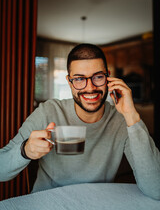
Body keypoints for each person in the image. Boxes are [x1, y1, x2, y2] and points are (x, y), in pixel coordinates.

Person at [0, 43, 160, 200]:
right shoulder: (49, 112)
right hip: (50, 203)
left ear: (108, 78)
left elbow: (156, 189)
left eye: (98, 77)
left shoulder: (122, 119)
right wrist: (24, 150)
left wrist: (132, 115)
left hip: (97, 203)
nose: (89, 88)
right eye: (79, 79)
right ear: (69, 82)